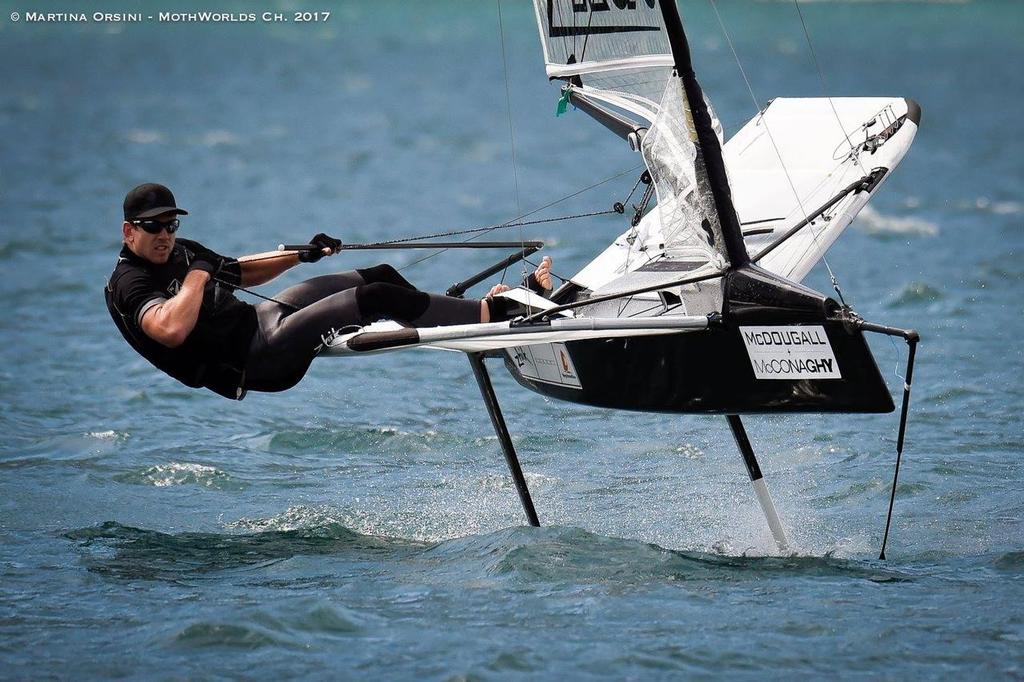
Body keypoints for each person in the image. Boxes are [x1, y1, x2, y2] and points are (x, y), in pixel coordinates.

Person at [105, 183, 553, 400]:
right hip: (257, 360)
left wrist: (301, 254)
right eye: (153, 227)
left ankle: (471, 317)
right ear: (129, 231)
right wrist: (199, 276)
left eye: (171, 225)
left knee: (378, 274)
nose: (165, 234)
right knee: (374, 298)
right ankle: (498, 315)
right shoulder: (131, 283)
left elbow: (240, 273)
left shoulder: (180, 251)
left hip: (260, 321)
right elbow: (170, 330)